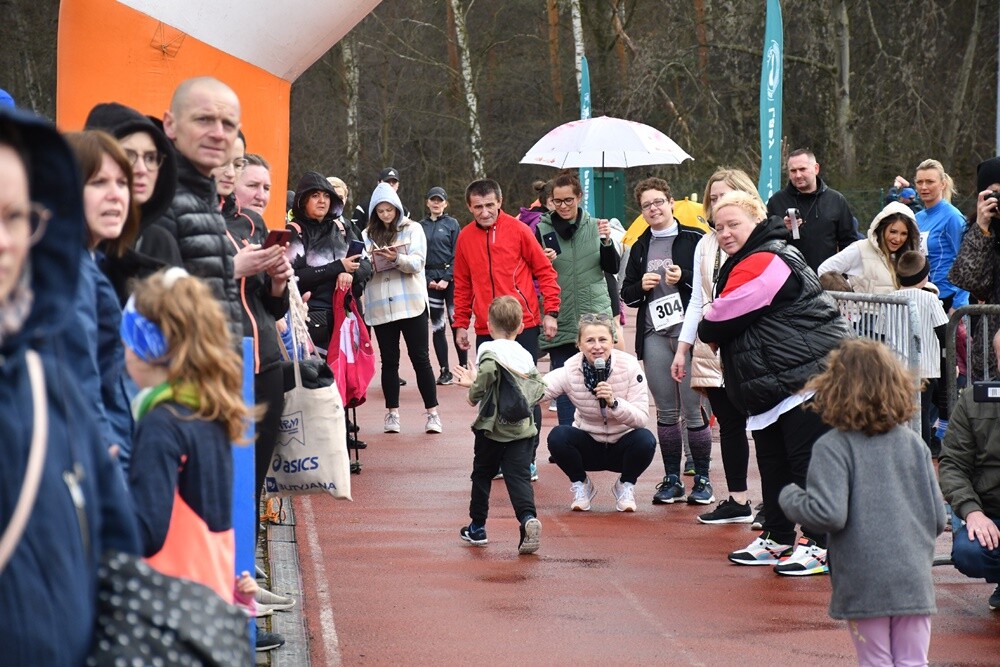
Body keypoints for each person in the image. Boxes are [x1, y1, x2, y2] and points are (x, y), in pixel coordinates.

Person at [1, 107, 139, 666]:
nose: (4, 241)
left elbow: (112, 538)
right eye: (98, 182)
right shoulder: (69, 291)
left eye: (14, 217)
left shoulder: (36, 362)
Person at [698, 191, 852, 575]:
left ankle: (820, 543)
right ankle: (778, 535)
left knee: (806, 464)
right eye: (718, 227)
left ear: (756, 220)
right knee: (773, 464)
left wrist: (713, 322)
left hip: (806, 378)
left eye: (733, 224)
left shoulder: (768, 258)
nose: (725, 233)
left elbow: (715, 321)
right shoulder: (747, 258)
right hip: (773, 383)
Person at [780, 339, 946, 666]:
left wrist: (790, 498)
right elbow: (938, 519)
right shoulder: (914, 444)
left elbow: (828, 514)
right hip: (913, 576)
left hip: (865, 577)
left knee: (876, 662)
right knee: (914, 661)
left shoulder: (832, 446)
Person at [452, 178, 561, 479]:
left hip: (522, 323)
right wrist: (460, 323)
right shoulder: (465, 238)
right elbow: (462, 284)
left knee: (524, 391)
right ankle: (500, 456)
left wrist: (551, 312)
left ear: (500, 202)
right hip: (486, 326)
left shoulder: (519, 230)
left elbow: (544, 271)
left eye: (490, 205)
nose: (485, 212)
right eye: (478, 207)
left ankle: (527, 458)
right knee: (491, 392)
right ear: (469, 207)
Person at [670, 168, 759, 525]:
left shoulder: (757, 239)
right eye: (714, 197)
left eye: (726, 195)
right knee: (730, 424)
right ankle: (738, 499)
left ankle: (777, 503)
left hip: (752, 344)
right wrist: (683, 348)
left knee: (767, 424)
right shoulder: (705, 244)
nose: (719, 202)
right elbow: (697, 299)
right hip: (711, 346)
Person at [620, 177, 711, 506]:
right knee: (666, 411)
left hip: (689, 335)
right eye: (646, 205)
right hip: (655, 335)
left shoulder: (696, 239)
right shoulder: (640, 246)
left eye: (658, 202)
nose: (653, 209)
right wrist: (640, 287)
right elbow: (627, 294)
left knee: (693, 409)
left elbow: (711, 283)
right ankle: (672, 478)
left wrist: (684, 278)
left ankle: (702, 479)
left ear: (671, 202)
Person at [213, 133, 291, 515]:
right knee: (221, 476)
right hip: (222, 363)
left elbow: (270, 307)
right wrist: (232, 269)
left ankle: (249, 545)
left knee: (256, 477)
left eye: (237, 163)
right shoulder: (188, 220)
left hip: (266, 364)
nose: (230, 172)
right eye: (225, 162)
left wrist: (278, 282)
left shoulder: (253, 224)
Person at [64, 130, 140, 466]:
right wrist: (106, 457)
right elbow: (79, 375)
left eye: (122, 183)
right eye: (98, 182)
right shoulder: (71, 269)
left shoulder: (90, 262)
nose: (115, 195)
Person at [451, 296, 545, 553]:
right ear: (521, 327)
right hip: (522, 428)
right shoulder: (525, 354)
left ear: (489, 326)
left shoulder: (488, 349)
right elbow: (537, 386)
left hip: (492, 427)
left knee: (482, 474)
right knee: (520, 477)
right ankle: (527, 518)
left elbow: (489, 373)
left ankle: (477, 526)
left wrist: (473, 393)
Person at [153, 76, 244, 339]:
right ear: (170, 124)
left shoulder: (206, 199)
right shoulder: (159, 199)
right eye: (204, 119)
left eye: (228, 124)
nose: (218, 133)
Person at [542, 312, 657, 512]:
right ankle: (582, 485)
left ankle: (625, 485)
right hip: (589, 445)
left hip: (622, 445)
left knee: (646, 440)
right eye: (590, 340)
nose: (597, 346)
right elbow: (538, 389)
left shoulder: (630, 366)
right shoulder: (570, 369)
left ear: (612, 341)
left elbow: (641, 419)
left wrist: (614, 403)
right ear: (579, 344)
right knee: (558, 436)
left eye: (603, 339)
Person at [536, 172, 620, 425]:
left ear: (580, 197)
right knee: (564, 380)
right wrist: (542, 261)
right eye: (557, 201)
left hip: (593, 315)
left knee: (600, 379)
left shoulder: (597, 226)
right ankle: (568, 434)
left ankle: (599, 433)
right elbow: (531, 271)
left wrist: (607, 241)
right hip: (559, 312)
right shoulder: (541, 229)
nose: (563, 206)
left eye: (568, 200)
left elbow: (612, 268)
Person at [362, 181, 442, 433]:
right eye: (380, 211)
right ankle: (392, 414)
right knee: (389, 361)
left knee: (421, 359)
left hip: (410, 303)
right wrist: (369, 264)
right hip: (380, 306)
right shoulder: (366, 235)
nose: (385, 215)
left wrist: (396, 258)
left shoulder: (413, 229)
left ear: (397, 208)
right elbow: (362, 266)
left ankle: (433, 413)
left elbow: (418, 262)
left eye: (389, 210)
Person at [83, 101, 180, 304]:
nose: (142, 169)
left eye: (151, 157)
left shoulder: (160, 240)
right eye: (128, 155)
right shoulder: (70, 246)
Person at [940, 329, 1000, 612]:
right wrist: (972, 512)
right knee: (968, 551)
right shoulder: (974, 400)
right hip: (991, 513)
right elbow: (953, 464)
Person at [765, 148, 858, 271]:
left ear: (816, 168)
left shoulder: (836, 200)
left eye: (802, 169)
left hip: (826, 277)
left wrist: (842, 275)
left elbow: (849, 244)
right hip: (789, 277)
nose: (798, 175)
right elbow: (766, 243)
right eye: (793, 171)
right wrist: (782, 229)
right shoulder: (776, 201)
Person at [894, 251, 949, 456]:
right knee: (922, 414)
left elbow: (880, 334)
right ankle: (923, 458)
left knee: (902, 415)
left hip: (897, 367)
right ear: (924, 276)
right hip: (925, 368)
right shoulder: (930, 298)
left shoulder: (888, 298)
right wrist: (949, 361)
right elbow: (945, 333)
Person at [949, 156, 1000, 378]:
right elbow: (971, 282)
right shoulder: (979, 230)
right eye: (994, 192)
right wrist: (981, 228)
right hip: (991, 348)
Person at [418, 185, 466, 384]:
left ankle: (463, 368)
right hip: (430, 280)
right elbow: (417, 255)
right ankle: (444, 370)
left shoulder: (452, 224)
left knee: (457, 323)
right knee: (438, 326)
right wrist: (428, 280)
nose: (436, 203)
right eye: (433, 200)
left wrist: (447, 278)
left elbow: (458, 253)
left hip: (451, 280)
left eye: (440, 200)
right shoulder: (419, 226)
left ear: (446, 203)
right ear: (427, 202)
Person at [817, 201, 920, 293]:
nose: (897, 239)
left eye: (904, 234)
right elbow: (825, 270)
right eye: (893, 232)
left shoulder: (907, 258)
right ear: (882, 228)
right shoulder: (861, 249)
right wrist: (847, 298)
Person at [913, 158, 969, 311]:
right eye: (919, 182)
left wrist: (959, 304)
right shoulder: (917, 218)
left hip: (947, 298)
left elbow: (966, 261)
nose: (924, 187)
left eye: (930, 182)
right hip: (922, 297)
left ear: (943, 184)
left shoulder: (952, 217)